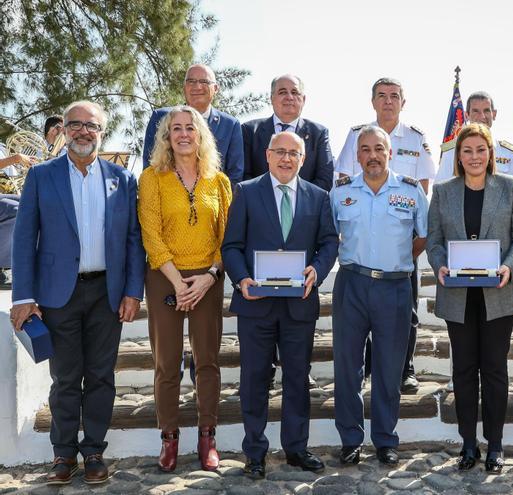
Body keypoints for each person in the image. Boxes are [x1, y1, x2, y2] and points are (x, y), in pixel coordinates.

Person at [11, 100, 145, 485]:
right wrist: (23, 296)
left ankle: (94, 451)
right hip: (57, 294)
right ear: (65, 130)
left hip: (108, 291)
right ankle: (63, 455)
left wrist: (132, 291)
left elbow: (134, 241)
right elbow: (24, 239)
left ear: (102, 132)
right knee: (66, 377)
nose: (84, 132)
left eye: (92, 126)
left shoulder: (122, 179)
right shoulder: (41, 176)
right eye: (76, 125)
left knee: (101, 375)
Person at [222, 131, 339, 478]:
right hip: (255, 304)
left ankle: (296, 448)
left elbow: (329, 242)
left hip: (299, 306)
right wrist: (242, 279)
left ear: (303, 159)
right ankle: (255, 451)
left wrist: (316, 271)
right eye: (280, 152)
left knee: (298, 380)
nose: (287, 158)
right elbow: (231, 246)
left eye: (294, 153)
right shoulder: (245, 191)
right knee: (254, 379)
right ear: (268, 155)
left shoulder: (318, 197)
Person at [427, 123, 513, 473]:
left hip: (498, 292)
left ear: (491, 154)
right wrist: (440, 265)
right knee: (464, 370)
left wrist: (507, 266)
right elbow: (434, 241)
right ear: (458, 156)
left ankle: (496, 444)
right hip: (458, 294)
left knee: (495, 369)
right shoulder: (443, 192)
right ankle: (468, 443)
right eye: (467, 150)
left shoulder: (511, 187)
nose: (474, 156)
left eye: (480, 150)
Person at [138, 105, 232, 472]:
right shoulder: (152, 177)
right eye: (175, 128)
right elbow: (151, 234)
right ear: (166, 136)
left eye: (190, 128)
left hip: (208, 278)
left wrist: (208, 277)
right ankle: (169, 438)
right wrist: (179, 283)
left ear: (201, 135)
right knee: (167, 363)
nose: (183, 134)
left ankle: (208, 437)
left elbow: (227, 238)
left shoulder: (218, 182)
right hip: (165, 275)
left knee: (207, 361)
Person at [330, 125, 428, 466]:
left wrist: (398, 258)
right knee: (347, 366)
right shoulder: (340, 193)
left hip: (395, 287)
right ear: (357, 156)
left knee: (389, 367)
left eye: (379, 148)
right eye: (366, 149)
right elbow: (331, 237)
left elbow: (424, 235)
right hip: (352, 284)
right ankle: (351, 439)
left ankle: (386, 439)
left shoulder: (412, 191)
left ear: (390, 153)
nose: (373, 155)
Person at [335, 77, 435, 393]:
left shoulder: (416, 138)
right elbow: (343, 184)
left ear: (402, 103)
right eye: (382, 96)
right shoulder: (356, 137)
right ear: (373, 101)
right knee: (361, 320)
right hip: (362, 247)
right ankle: (367, 367)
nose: (388, 101)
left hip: (402, 247)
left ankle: (405, 368)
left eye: (394, 96)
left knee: (409, 313)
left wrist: (407, 251)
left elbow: (422, 191)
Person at [143, 64, 244, 184]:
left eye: (204, 81)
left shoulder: (230, 125)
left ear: (215, 88)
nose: (197, 86)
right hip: (166, 198)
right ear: (184, 87)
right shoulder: (160, 117)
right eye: (191, 81)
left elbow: (235, 175)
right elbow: (150, 165)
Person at [242, 74, 334, 190]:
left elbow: (324, 179)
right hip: (258, 205)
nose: (289, 97)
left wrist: (297, 200)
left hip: (305, 206)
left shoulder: (318, 133)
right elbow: (244, 175)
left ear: (303, 99)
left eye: (295, 92)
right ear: (272, 98)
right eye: (282, 92)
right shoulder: (250, 131)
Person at [435, 92, 513, 190]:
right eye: (476, 111)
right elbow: (441, 191)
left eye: (486, 111)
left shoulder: (508, 153)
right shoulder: (452, 151)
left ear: (494, 114)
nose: (482, 116)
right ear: (466, 115)